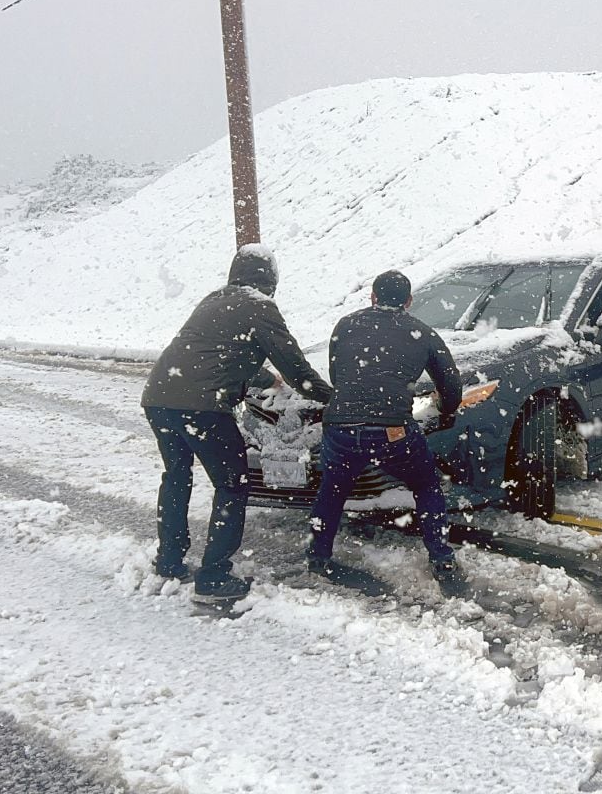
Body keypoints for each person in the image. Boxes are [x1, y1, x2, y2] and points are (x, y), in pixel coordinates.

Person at [141, 244, 333, 602]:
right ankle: (213, 578)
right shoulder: (260, 306)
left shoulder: (214, 300)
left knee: (176, 477)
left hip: (159, 397)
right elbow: (295, 366)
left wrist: (268, 381)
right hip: (203, 407)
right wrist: (333, 399)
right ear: (270, 280)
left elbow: (219, 353)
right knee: (232, 484)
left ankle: (169, 561)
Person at [308, 270, 465, 587]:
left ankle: (318, 555)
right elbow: (451, 385)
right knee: (425, 484)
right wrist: (446, 409)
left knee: (332, 489)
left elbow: (338, 376)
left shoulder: (346, 324)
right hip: (392, 430)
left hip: (340, 426)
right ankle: (441, 558)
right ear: (409, 301)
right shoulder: (422, 332)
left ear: (373, 297)